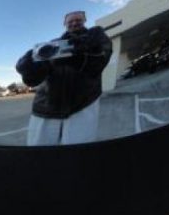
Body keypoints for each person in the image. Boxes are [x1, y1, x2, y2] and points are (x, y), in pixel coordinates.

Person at [16, 11, 113, 146]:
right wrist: (28, 70)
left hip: (83, 105)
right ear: (65, 24)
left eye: (78, 20)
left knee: (78, 156)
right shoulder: (52, 45)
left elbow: (101, 61)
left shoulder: (95, 38)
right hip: (45, 107)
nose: (74, 23)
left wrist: (80, 56)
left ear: (85, 21)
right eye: (70, 21)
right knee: (37, 154)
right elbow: (35, 79)